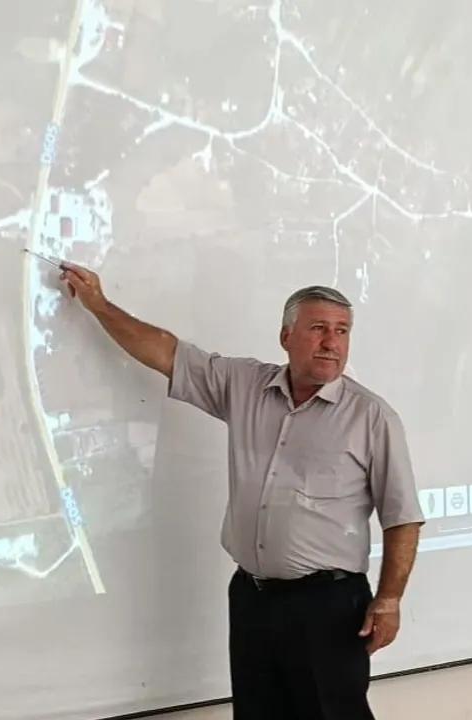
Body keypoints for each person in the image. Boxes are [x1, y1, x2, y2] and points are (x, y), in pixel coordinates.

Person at [57, 263, 424, 720]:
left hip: (328, 607)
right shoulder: (245, 386)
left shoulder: (371, 417)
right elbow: (166, 353)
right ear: (286, 336)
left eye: (342, 331)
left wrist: (388, 600)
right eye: (318, 329)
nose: (332, 342)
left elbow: (402, 516)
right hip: (253, 599)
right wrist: (99, 305)